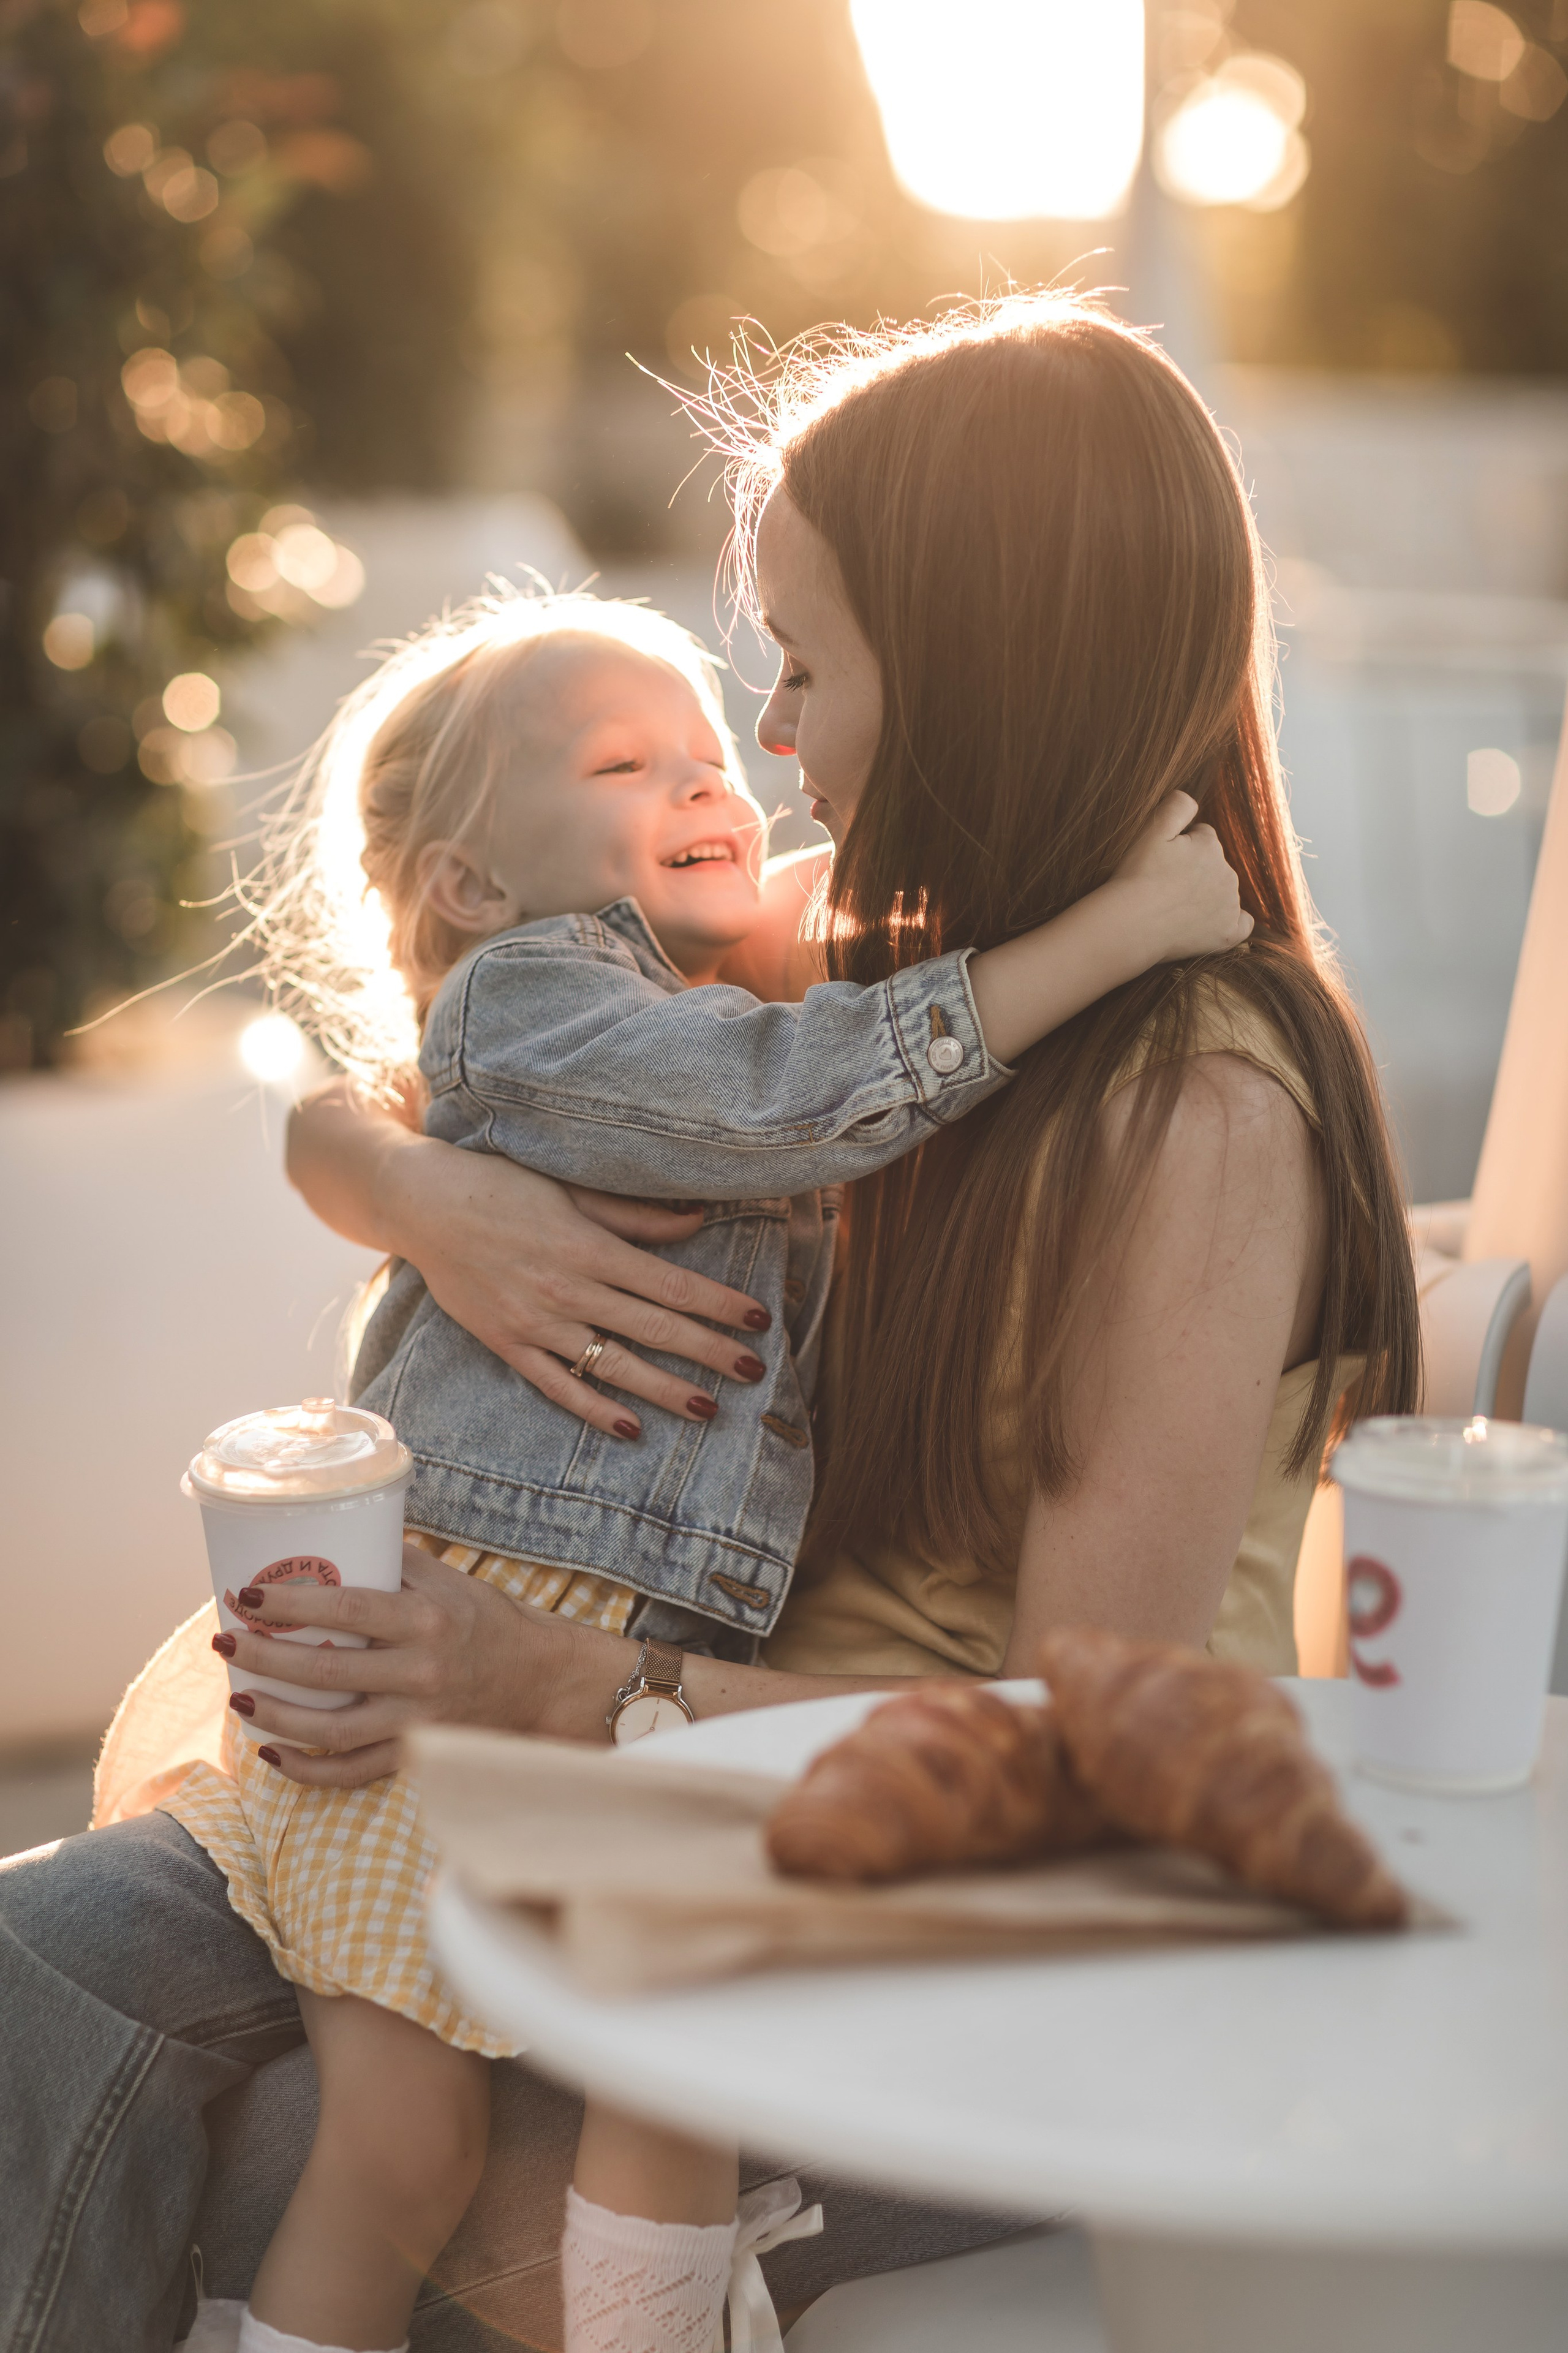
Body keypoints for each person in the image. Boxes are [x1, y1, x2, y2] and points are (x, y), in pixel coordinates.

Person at [0, 291, 1418, 2353]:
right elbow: (373, 1096)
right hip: (682, 1795)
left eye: (810, 661)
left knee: (274, 2121)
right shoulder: (916, 958)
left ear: (983, 667)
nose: (767, 736)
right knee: (48, 1969)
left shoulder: (1190, 1097)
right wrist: (439, 1201)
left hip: (932, 1919)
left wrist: (566, 1682)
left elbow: (1081, 1749)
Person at [157, 579, 1246, 2353]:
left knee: (676, 2061)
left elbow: (856, 932)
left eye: (719, 745)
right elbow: (794, 1094)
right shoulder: (540, 1002)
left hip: (617, 1673)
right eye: (622, 760)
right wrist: (1131, 924)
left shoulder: (685, 970)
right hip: (431, 1653)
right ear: (470, 887)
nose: (715, 779)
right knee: (397, 2141)